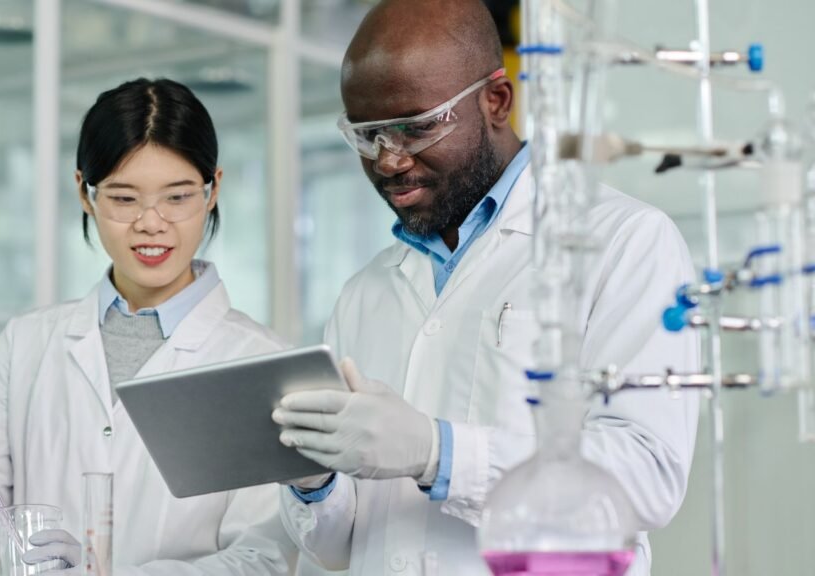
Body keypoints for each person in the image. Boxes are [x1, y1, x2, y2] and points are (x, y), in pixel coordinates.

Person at [270, 1, 699, 575]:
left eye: (417, 127)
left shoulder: (623, 242)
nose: (390, 160)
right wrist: (313, 481)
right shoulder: (364, 291)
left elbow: (647, 477)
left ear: (496, 101)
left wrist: (437, 452)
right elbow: (337, 548)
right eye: (367, 136)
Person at [0, 78, 294, 575]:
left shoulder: (261, 361)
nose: (151, 223)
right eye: (124, 199)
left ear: (213, 190)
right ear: (85, 193)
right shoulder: (28, 342)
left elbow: (265, 558)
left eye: (177, 197)